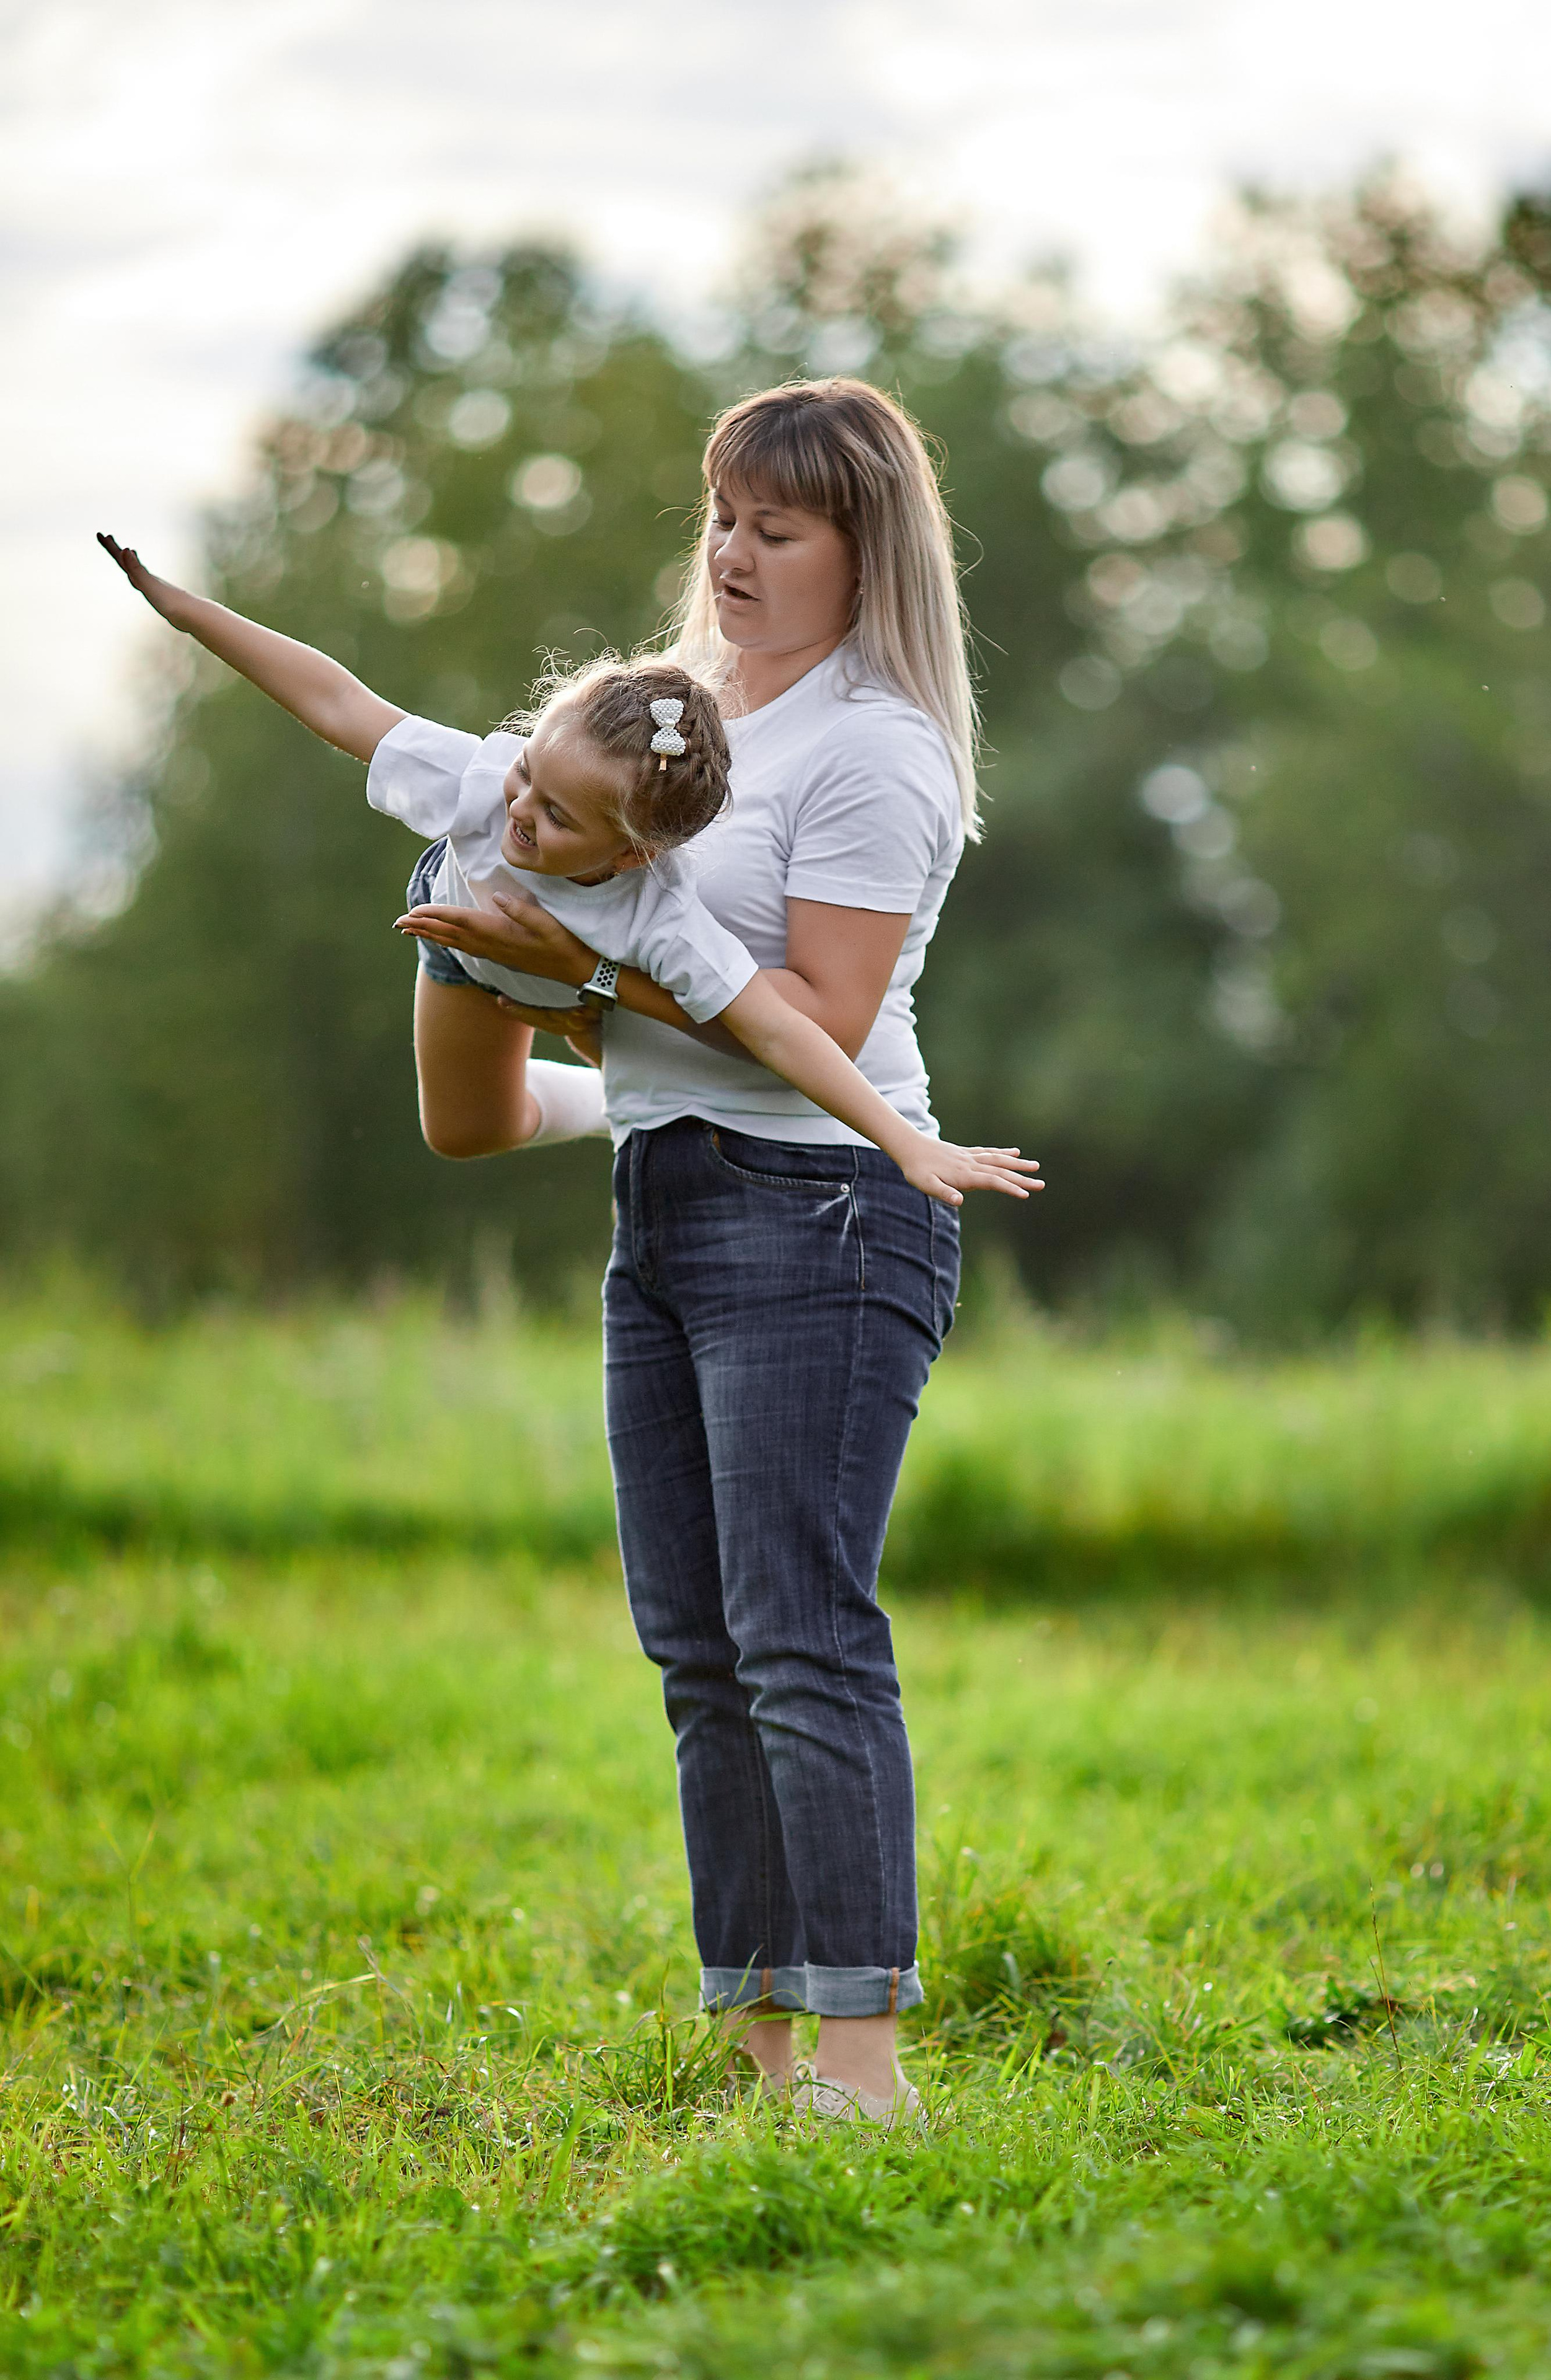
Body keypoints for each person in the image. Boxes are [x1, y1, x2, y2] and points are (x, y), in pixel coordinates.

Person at [397, 376, 1027, 2125]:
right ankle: (761, 2049)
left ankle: (863, 2064)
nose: (736, 556)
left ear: (862, 547)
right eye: (725, 518)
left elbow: (811, 1011)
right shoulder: (676, 725)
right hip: (673, 1199)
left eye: (781, 527)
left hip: (827, 1211)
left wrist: (566, 974)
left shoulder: (877, 748)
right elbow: (653, 1021)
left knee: (798, 1630)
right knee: (696, 1641)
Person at [95, 534, 1040, 1210]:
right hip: (462, 926)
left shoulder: (660, 918)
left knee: (493, 1115)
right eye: (527, 777)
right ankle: (598, 1095)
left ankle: (602, 1083)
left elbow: (784, 1036)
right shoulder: (483, 788)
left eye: (554, 815)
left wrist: (910, 1145)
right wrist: (181, 607)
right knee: (459, 1130)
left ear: (633, 854)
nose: (519, 813)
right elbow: (340, 703)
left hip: (571, 959)